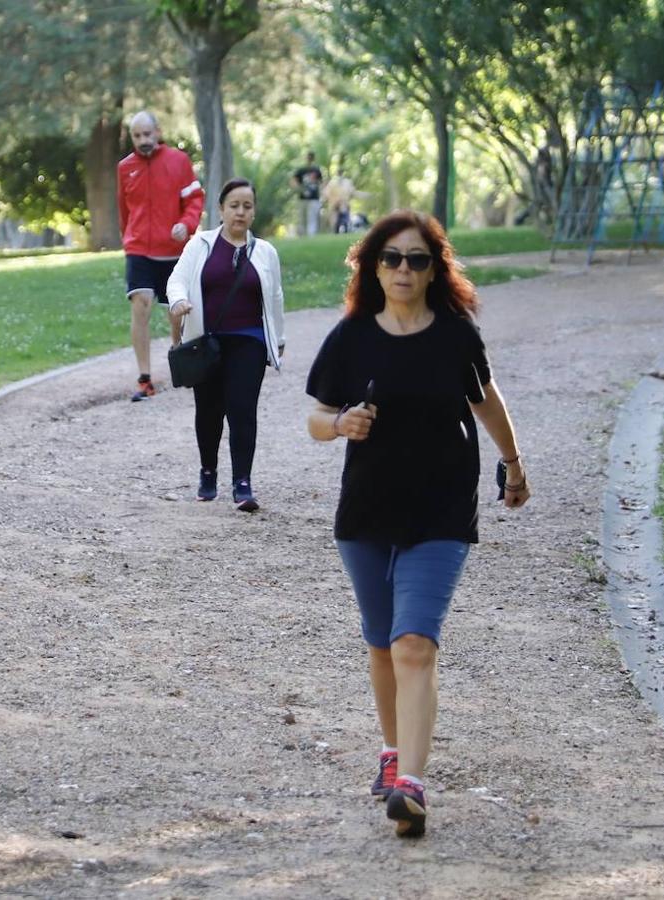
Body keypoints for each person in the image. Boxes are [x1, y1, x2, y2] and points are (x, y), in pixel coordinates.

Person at [305, 210, 531, 838]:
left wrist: (513, 462)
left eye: (418, 259)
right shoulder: (350, 337)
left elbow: (485, 397)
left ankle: (411, 782)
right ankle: (392, 749)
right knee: (381, 642)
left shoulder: (456, 336)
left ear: (436, 269)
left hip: (441, 506)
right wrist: (341, 424)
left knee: (414, 642)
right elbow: (316, 419)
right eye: (392, 259)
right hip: (368, 509)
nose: (404, 270)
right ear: (373, 266)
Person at [167, 178, 286, 511]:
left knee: (242, 410)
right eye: (234, 205)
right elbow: (176, 279)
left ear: (253, 212)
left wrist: (278, 339)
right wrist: (178, 302)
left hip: (249, 340)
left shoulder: (265, 252)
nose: (240, 212)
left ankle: (242, 483)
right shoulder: (200, 245)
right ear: (220, 209)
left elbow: (275, 296)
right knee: (209, 411)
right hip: (207, 342)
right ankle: (208, 471)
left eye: (247, 206)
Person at [118, 111, 204, 401]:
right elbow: (124, 211)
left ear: (157, 132)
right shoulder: (125, 168)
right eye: (136, 136)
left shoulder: (178, 161)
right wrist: (128, 238)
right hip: (139, 247)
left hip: (173, 250)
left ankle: (180, 365)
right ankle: (145, 378)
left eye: (147, 134)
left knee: (174, 313)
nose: (143, 140)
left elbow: (194, 199)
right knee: (140, 304)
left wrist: (186, 224)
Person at [291, 151, 323, 236]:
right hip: (303, 197)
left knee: (311, 218)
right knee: (302, 218)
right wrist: (299, 189)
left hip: (313, 198)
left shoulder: (317, 170)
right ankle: (303, 235)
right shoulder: (301, 170)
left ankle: (310, 235)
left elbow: (321, 182)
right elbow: (294, 181)